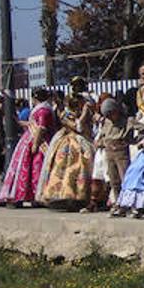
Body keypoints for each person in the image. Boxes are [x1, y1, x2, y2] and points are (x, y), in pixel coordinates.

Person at [36, 77, 95, 208]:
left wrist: (85, 113)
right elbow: (72, 124)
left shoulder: (88, 102)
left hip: (82, 137)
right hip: (68, 137)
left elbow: (85, 125)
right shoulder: (66, 112)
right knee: (63, 163)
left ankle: (82, 195)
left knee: (82, 164)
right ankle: (61, 194)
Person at [0, 87, 56, 207]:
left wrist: (35, 144)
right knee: (29, 169)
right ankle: (28, 195)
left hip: (40, 143)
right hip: (32, 139)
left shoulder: (43, 110)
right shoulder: (42, 109)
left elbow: (41, 128)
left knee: (37, 168)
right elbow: (35, 124)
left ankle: (37, 196)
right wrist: (23, 123)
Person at [97, 97, 133, 216]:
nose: (110, 118)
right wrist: (100, 142)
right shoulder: (107, 122)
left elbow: (143, 128)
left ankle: (128, 204)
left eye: (111, 114)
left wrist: (131, 139)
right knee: (114, 180)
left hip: (121, 152)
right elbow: (102, 134)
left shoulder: (127, 121)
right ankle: (118, 203)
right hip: (109, 151)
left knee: (125, 179)